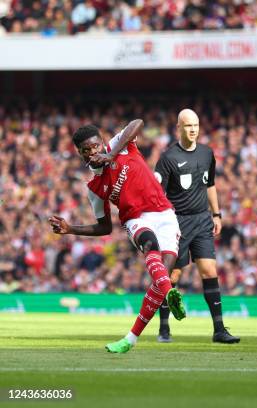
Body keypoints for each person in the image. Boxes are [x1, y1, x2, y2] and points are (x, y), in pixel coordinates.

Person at [48, 120, 186, 353]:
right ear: (80, 154)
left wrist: (110, 154)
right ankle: (169, 293)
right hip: (136, 220)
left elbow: (139, 123)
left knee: (160, 277)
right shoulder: (94, 188)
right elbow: (104, 228)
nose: (92, 152)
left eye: (95, 146)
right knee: (150, 247)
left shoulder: (119, 146)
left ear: (101, 143)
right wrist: (71, 229)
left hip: (165, 214)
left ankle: (130, 339)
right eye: (86, 150)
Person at [154, 109, 240, 344]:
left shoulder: (206, 153)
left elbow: (209, 184)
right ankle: (164, 328)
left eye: (196, 125)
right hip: (178, 222)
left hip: (202, 220)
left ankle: (219, 330)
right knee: (173, 275)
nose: (193, 130)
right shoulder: (168, 158)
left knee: (210, 271)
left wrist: (217, 213)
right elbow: (157, 193)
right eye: (188, 126)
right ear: (179, 128)